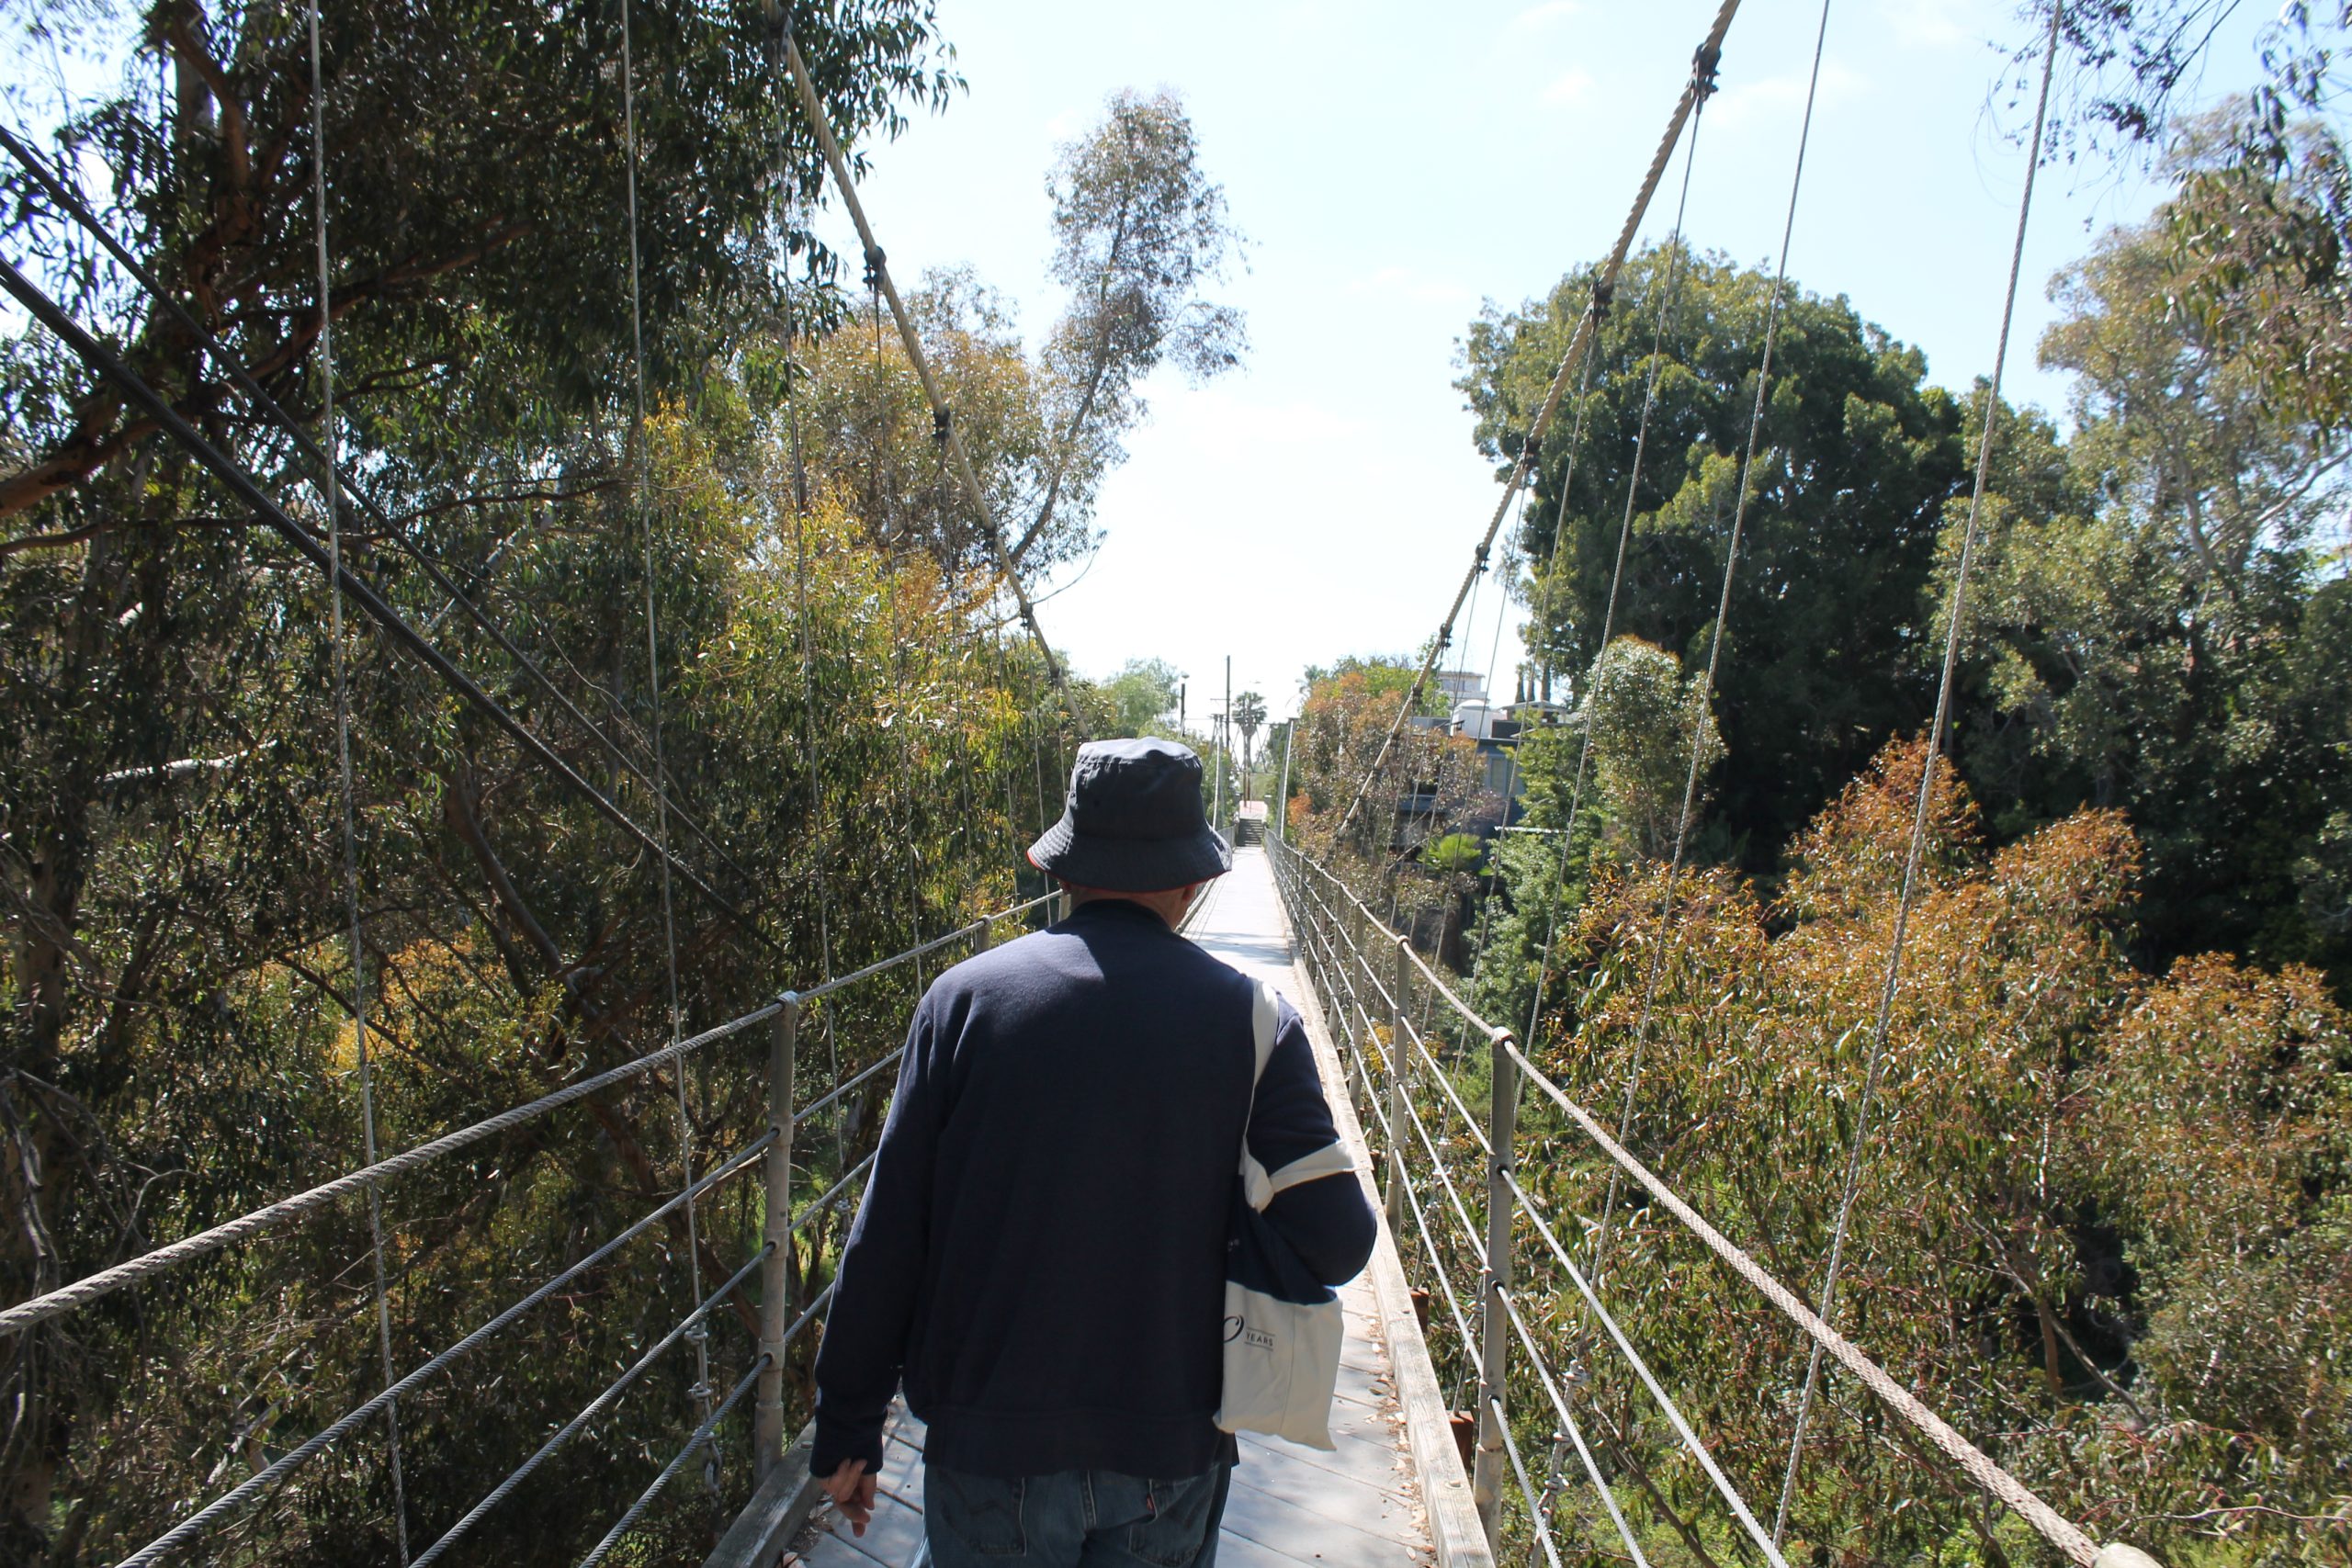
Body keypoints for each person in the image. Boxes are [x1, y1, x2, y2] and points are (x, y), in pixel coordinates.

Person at [809, 737, 1377, 1567]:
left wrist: (848, 1427)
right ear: (1192, 884)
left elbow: (888, 1234)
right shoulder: (1257, 1023)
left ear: (1064, 869)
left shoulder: (961, 1003)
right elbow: (1338, 1241)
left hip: (985, 1443)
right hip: (1168, 1444)